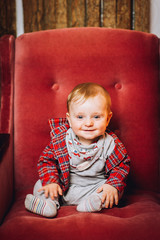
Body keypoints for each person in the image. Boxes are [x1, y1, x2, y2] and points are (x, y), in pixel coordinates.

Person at [25, 82, 130, 218]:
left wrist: (112, 185)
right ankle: (48, 205)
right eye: (80, 117)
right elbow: (47, 161)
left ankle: (92, 203)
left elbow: (121, 167)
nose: (88, 123)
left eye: (96, 117)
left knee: (116, 190)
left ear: (108, 118)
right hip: (64, 188)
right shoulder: (61, 139)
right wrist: (51, 182)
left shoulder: (111, 143)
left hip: (93, 189)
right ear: (69, 119)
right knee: (41, 184)